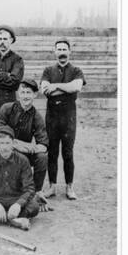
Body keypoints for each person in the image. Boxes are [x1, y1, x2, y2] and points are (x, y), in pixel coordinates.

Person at [40, 37, 86, 200]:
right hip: (52, 116)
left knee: (68, 152)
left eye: (64, 49)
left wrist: (56, 86)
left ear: (69, 52)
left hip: (69, 116)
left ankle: (69, 187)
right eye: (58, 49)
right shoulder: (48, 70)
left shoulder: (76, 71)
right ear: (55, 52)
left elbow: (77, 86)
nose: (61, 52)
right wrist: (67, 89)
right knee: (52, 152)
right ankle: (52, 187)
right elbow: (44, 89)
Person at [0, 78, 49, 199]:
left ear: (35, 94)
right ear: (18, 93)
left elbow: (43, 145)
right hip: (5, 150)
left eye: (28, 93)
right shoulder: (6, 108)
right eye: (22, 92)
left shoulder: (37, 116)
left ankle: (35, 192)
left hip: (24, 154)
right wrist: (21, 145)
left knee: (42, 157)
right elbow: (0, 134)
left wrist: (29, 148)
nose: (25, 96)